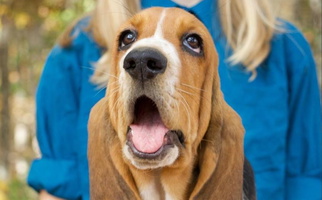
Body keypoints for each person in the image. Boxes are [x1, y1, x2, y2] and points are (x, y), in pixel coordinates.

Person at [27, 0, 322, 200]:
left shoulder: (286, 51)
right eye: (128, 40)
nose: (140, 59)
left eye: (193, 43)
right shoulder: (73, 52)